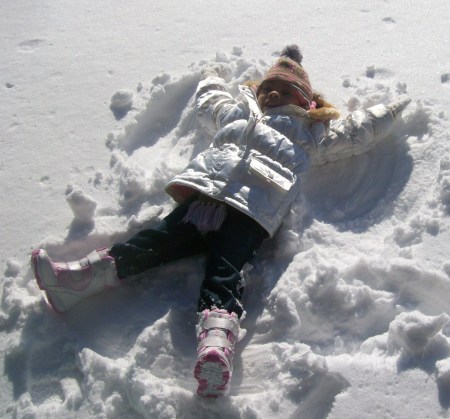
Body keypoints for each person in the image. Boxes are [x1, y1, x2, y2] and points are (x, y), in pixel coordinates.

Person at [31, 45, 411, 398]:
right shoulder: (239, 112)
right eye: (269, 88)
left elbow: (353, 132)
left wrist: (388, 113)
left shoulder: (309, 133)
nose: (273, 94)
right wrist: (211, 78)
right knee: (153, 241)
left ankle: (215, 349)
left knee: (224, 272)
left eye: (285, 90)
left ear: (305, 101)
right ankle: (75, 282)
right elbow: (211, 105)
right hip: (202, 200)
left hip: (251, 213)